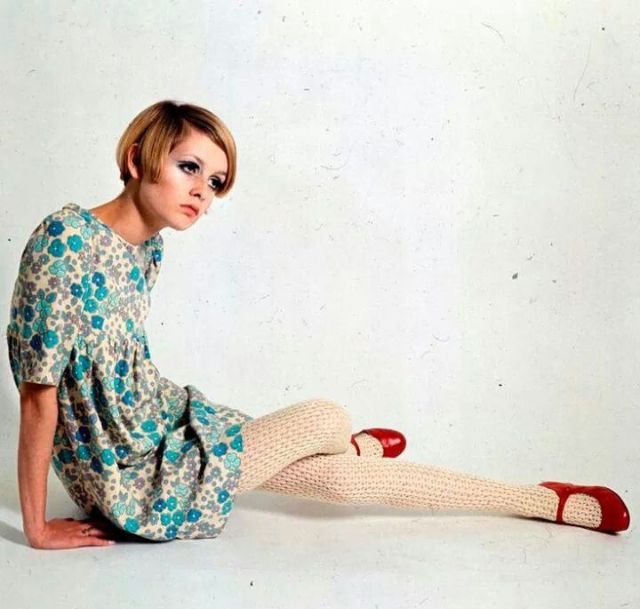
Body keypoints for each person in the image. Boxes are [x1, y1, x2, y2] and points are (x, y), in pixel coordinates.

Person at [6, 100, 630, 550]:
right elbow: (38, 395)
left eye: (215, 182)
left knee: (330, 464)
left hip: (161, 425)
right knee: (327, 423)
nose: (203, 193)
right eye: (189, 168)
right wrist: (36, 528)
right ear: (138, 157)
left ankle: (533, 498)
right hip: (128, 475)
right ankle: (541, 500)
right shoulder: (65, 240)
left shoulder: (149, 248)